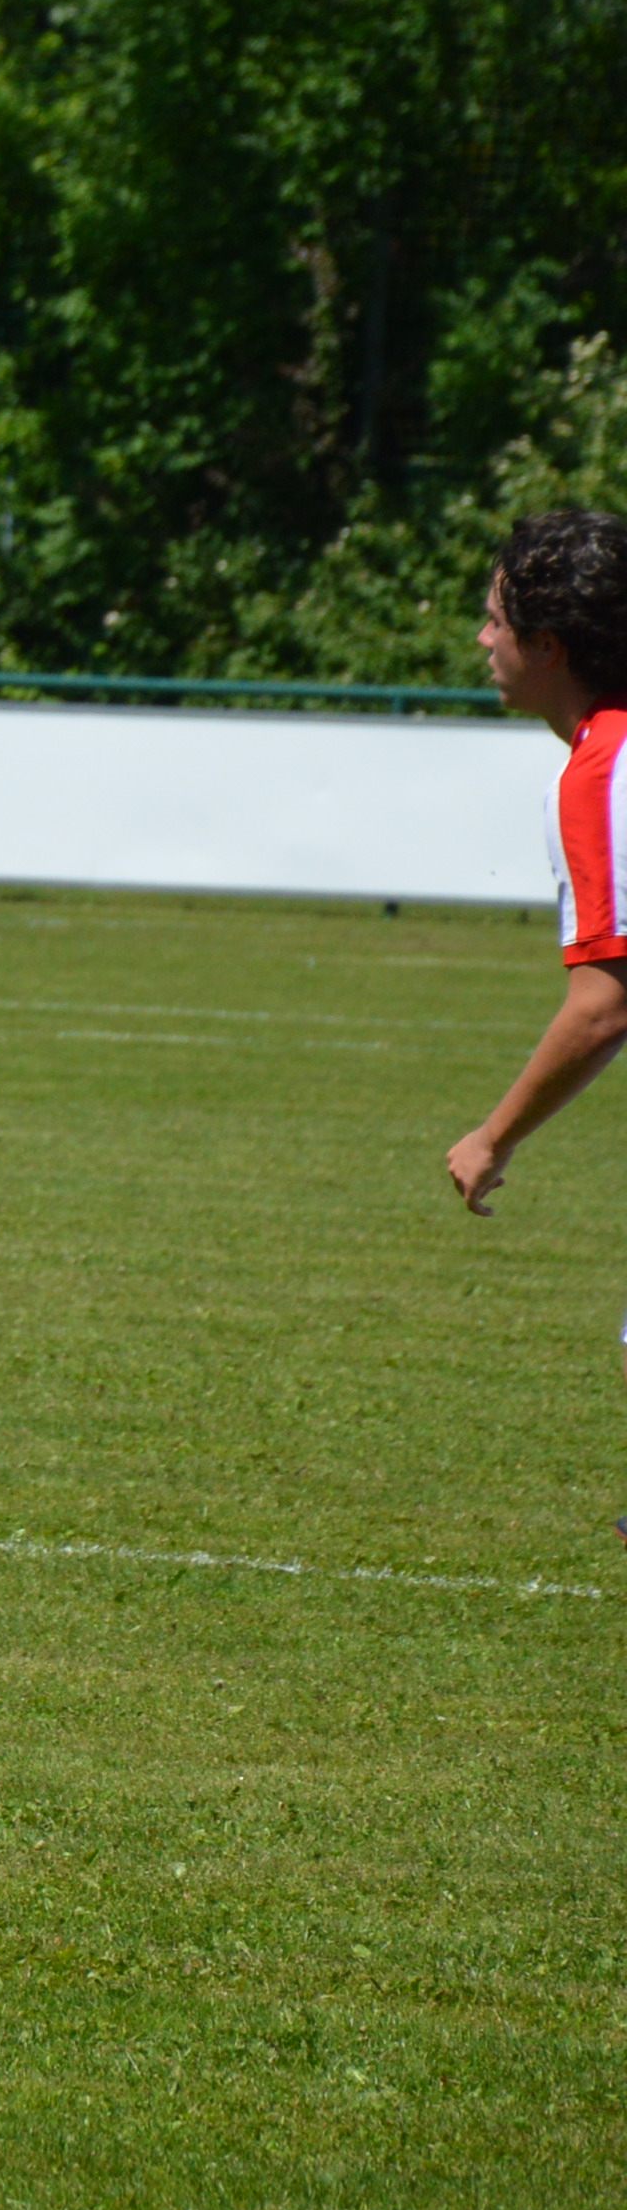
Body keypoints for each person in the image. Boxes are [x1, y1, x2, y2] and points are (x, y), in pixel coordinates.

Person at [446, 509, 627, 1519]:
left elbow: (605, 1004)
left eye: (496, 619)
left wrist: (493, 1136)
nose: (483, 639)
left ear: (549, 645)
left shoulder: (608, 769)